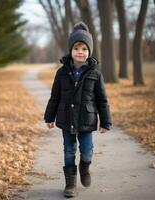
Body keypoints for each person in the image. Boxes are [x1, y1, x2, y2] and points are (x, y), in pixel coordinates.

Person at [44, 22, 112, 198]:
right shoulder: (61, 73)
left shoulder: (95, 74)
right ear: (70, 51)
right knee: (68, 150)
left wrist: (105, 121)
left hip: (86, 120)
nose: (80, 51)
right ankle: (70, 184)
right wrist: (49, 117)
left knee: (87, 150)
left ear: (89, 51)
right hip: (66, 118)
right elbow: (54, 96)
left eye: (84, 48)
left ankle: (85, 167)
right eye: (76, 48)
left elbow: (102, 100)